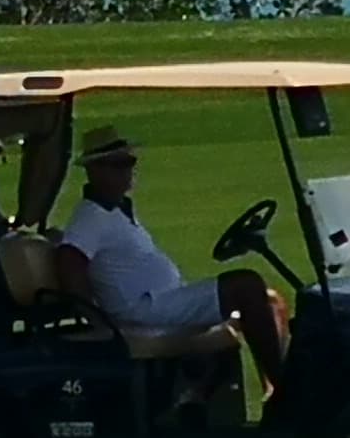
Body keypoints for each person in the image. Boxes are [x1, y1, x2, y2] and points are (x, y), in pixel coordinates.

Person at [54, 122, 290, 396]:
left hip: (164, 302)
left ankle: (273, 392)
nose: (129, 170)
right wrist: (93, 317)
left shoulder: (117, 209)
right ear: (95, 170)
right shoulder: (90, 216)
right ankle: (288, 394)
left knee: (271, 301)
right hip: (144, 311)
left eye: (129, 162)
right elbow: (69, 258)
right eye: (118, 165)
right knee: (246, 285)